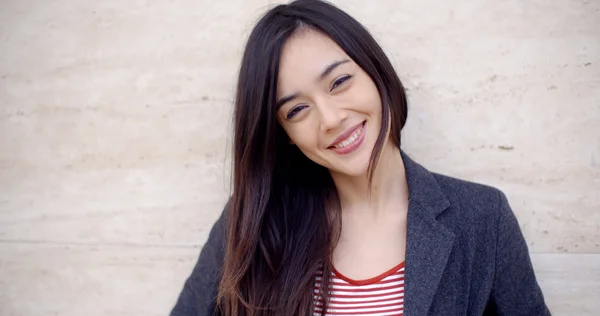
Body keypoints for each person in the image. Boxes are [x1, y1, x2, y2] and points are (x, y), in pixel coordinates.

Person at [170, 0, 550, 315]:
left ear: (375, 70)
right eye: (297, 110)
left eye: (339, 82)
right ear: (283, 135)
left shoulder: (482, 218)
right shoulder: (253, 225)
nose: (331, 119)